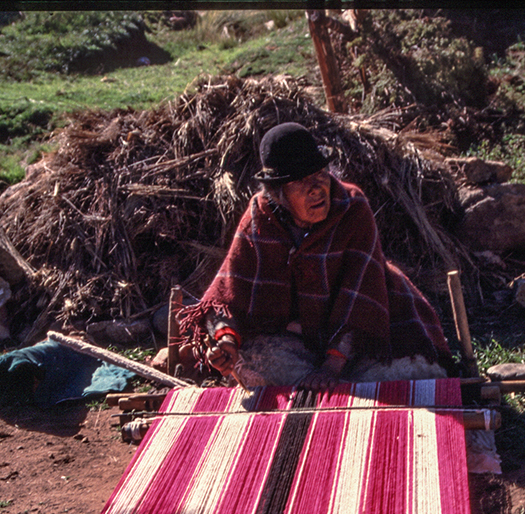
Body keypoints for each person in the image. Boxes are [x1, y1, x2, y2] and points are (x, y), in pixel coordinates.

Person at [178, 122, 452, 389]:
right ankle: (332, 397)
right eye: (300, 182)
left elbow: (361, 294)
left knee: (411, 374)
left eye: (320, 174)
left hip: (368, 329)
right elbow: (227, 294)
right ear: (278, 192)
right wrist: (226, 342)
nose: (317, 188)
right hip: (299, 339)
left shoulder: (352, 207)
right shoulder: (260, 218)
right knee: (253, 366)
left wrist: (331, 367)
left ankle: (339, 395)